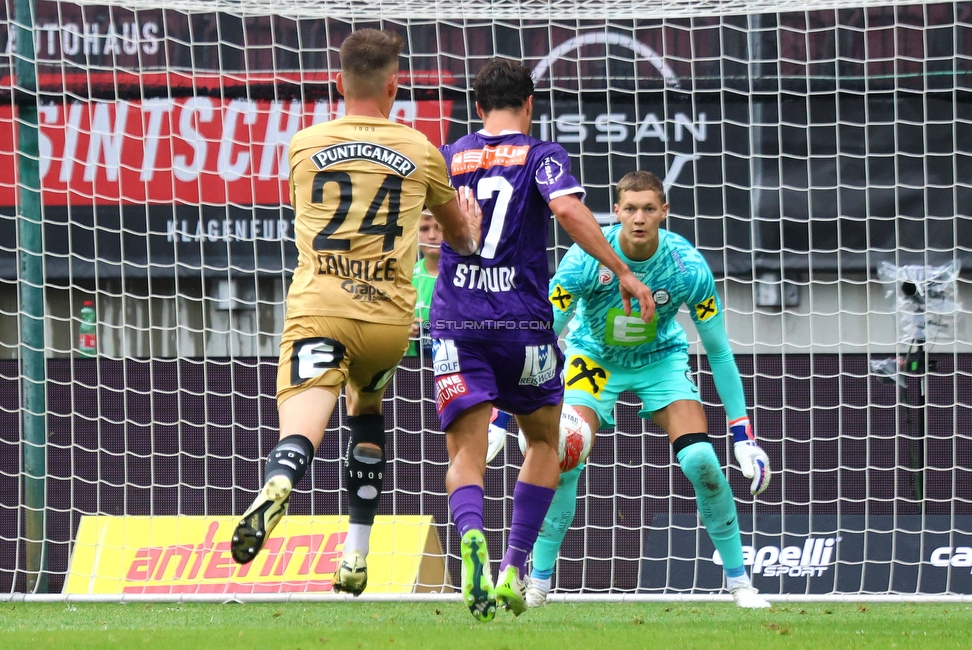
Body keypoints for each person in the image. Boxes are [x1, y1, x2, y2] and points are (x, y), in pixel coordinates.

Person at [229, 28, 481, 598]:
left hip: (321, 309)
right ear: (396, 85)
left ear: (339, 82)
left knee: (303, 423)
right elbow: (460, 241)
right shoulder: (421, 148)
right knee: (366, 408)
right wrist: (470, 228)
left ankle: (280, 479)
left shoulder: (303, 144)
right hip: (389, 323)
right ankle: (355, 555)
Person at [431, 58, 655, 621]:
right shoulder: (541, 154)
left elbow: (428, 222)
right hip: (522, 324)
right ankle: (513, 566)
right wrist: (623, 271)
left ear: (478, 108)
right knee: (544, 444)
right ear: (529, 104)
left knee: (466, 451)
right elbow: (565, 208)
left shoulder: (450, 155)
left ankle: (471, 537)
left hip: (457, 319)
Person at [524, 170, 773, 609]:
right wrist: (504, 411)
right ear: (616, 212)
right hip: (594, 359)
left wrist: (743, 434)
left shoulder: (688, 267)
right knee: (566, 453)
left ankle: (740, 583)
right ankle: (539, 583)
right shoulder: (585, 258)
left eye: (649, 209)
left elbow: (718, 352)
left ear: (664, 212)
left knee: (701, 460)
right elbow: (543, 336)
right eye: (630, 209)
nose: (639, 218)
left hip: (660, 361)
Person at [405, 210, 442, 360]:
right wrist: (401, 330)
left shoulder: (467, 276)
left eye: (439, 228)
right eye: (424, 229)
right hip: (415, 370)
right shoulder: (405, 277)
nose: (432, 236)